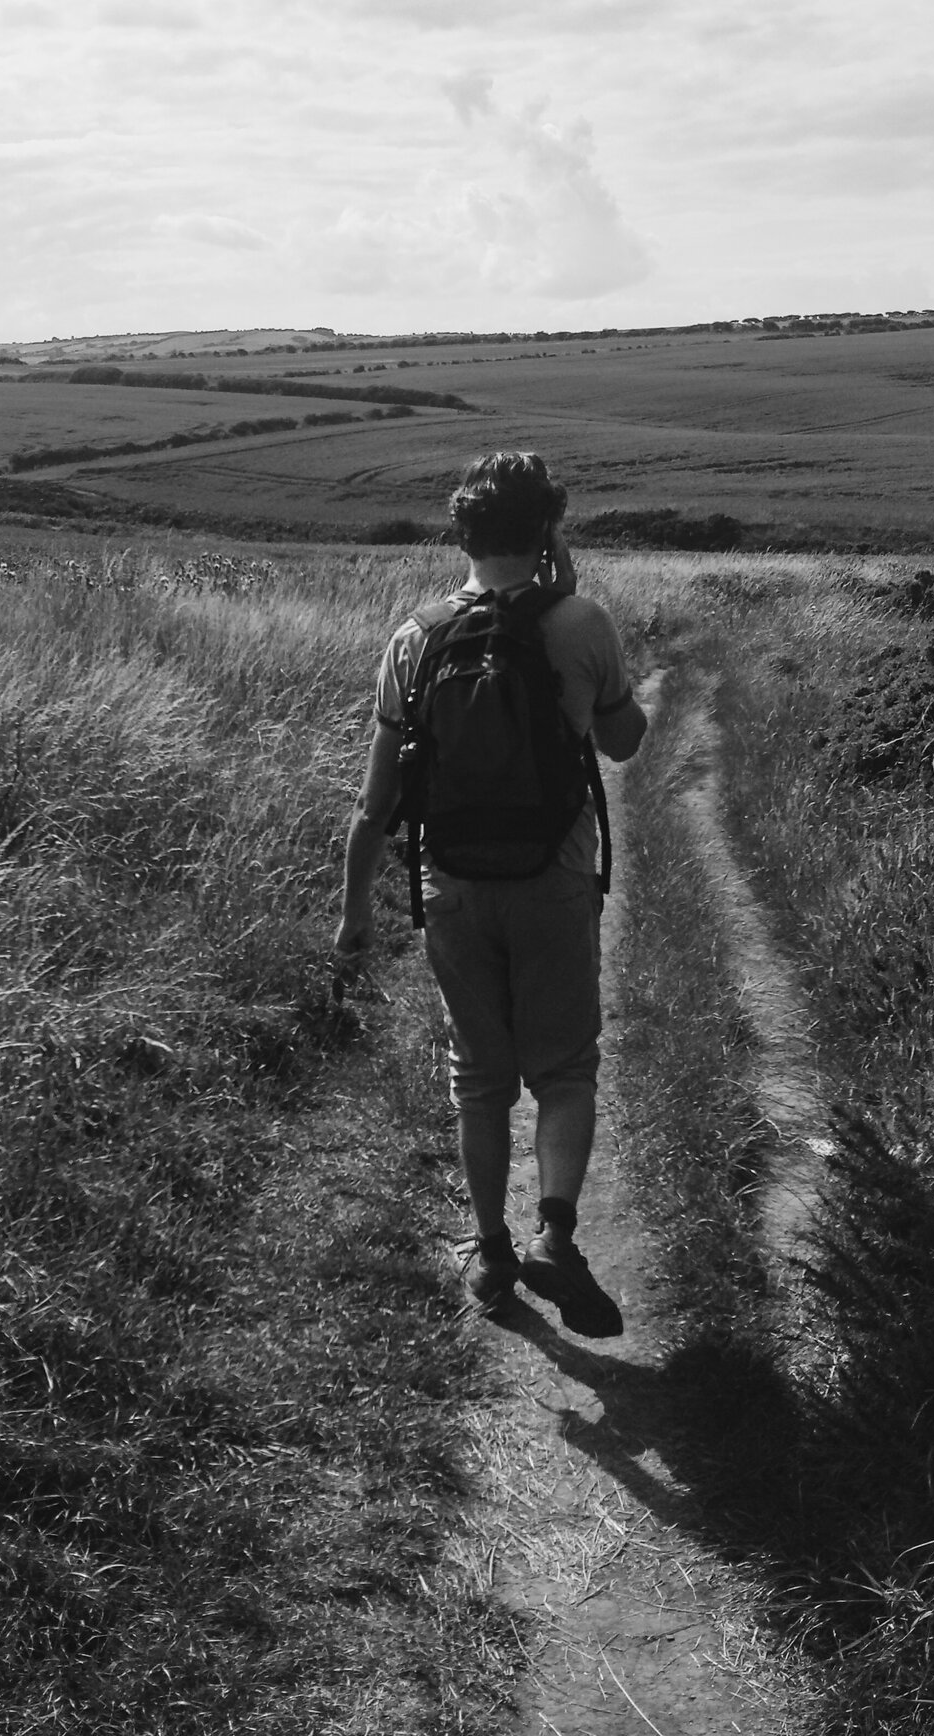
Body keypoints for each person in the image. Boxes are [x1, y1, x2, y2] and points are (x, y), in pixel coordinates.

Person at [334, 452, 648, 1337]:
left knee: (478, 1079)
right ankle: (555, 1232)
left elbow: (377, 803)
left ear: (462, 533)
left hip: (454, 886)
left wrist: (354, 911)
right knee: (565, 1069)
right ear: (546, 530)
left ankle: (490, 1249)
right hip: (553, 879)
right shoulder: (583, 622)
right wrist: (581, 623)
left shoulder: (415, 637)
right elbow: (623, 742)